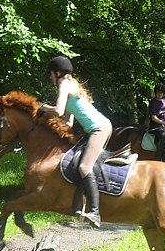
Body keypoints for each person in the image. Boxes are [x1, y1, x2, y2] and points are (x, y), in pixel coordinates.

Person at [39, 55, 112, 228]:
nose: (50, 78)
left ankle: (94, 212)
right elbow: (68, 120)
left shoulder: (64, 85)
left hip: (98, 129)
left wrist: (42, 107)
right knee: (77, 160)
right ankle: (78, 206)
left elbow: (57, 110)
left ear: (58, 73)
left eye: (50, 74)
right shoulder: (72, 85)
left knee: (84, 167)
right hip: (101, 127)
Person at [147, 82, 165, 161]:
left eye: (161, 92)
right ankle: (158, 156)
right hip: (155, 125)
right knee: (163, 136)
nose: (160, 94)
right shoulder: (153, 103)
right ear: (155, 92)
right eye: (158, 92)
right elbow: (154, 118)